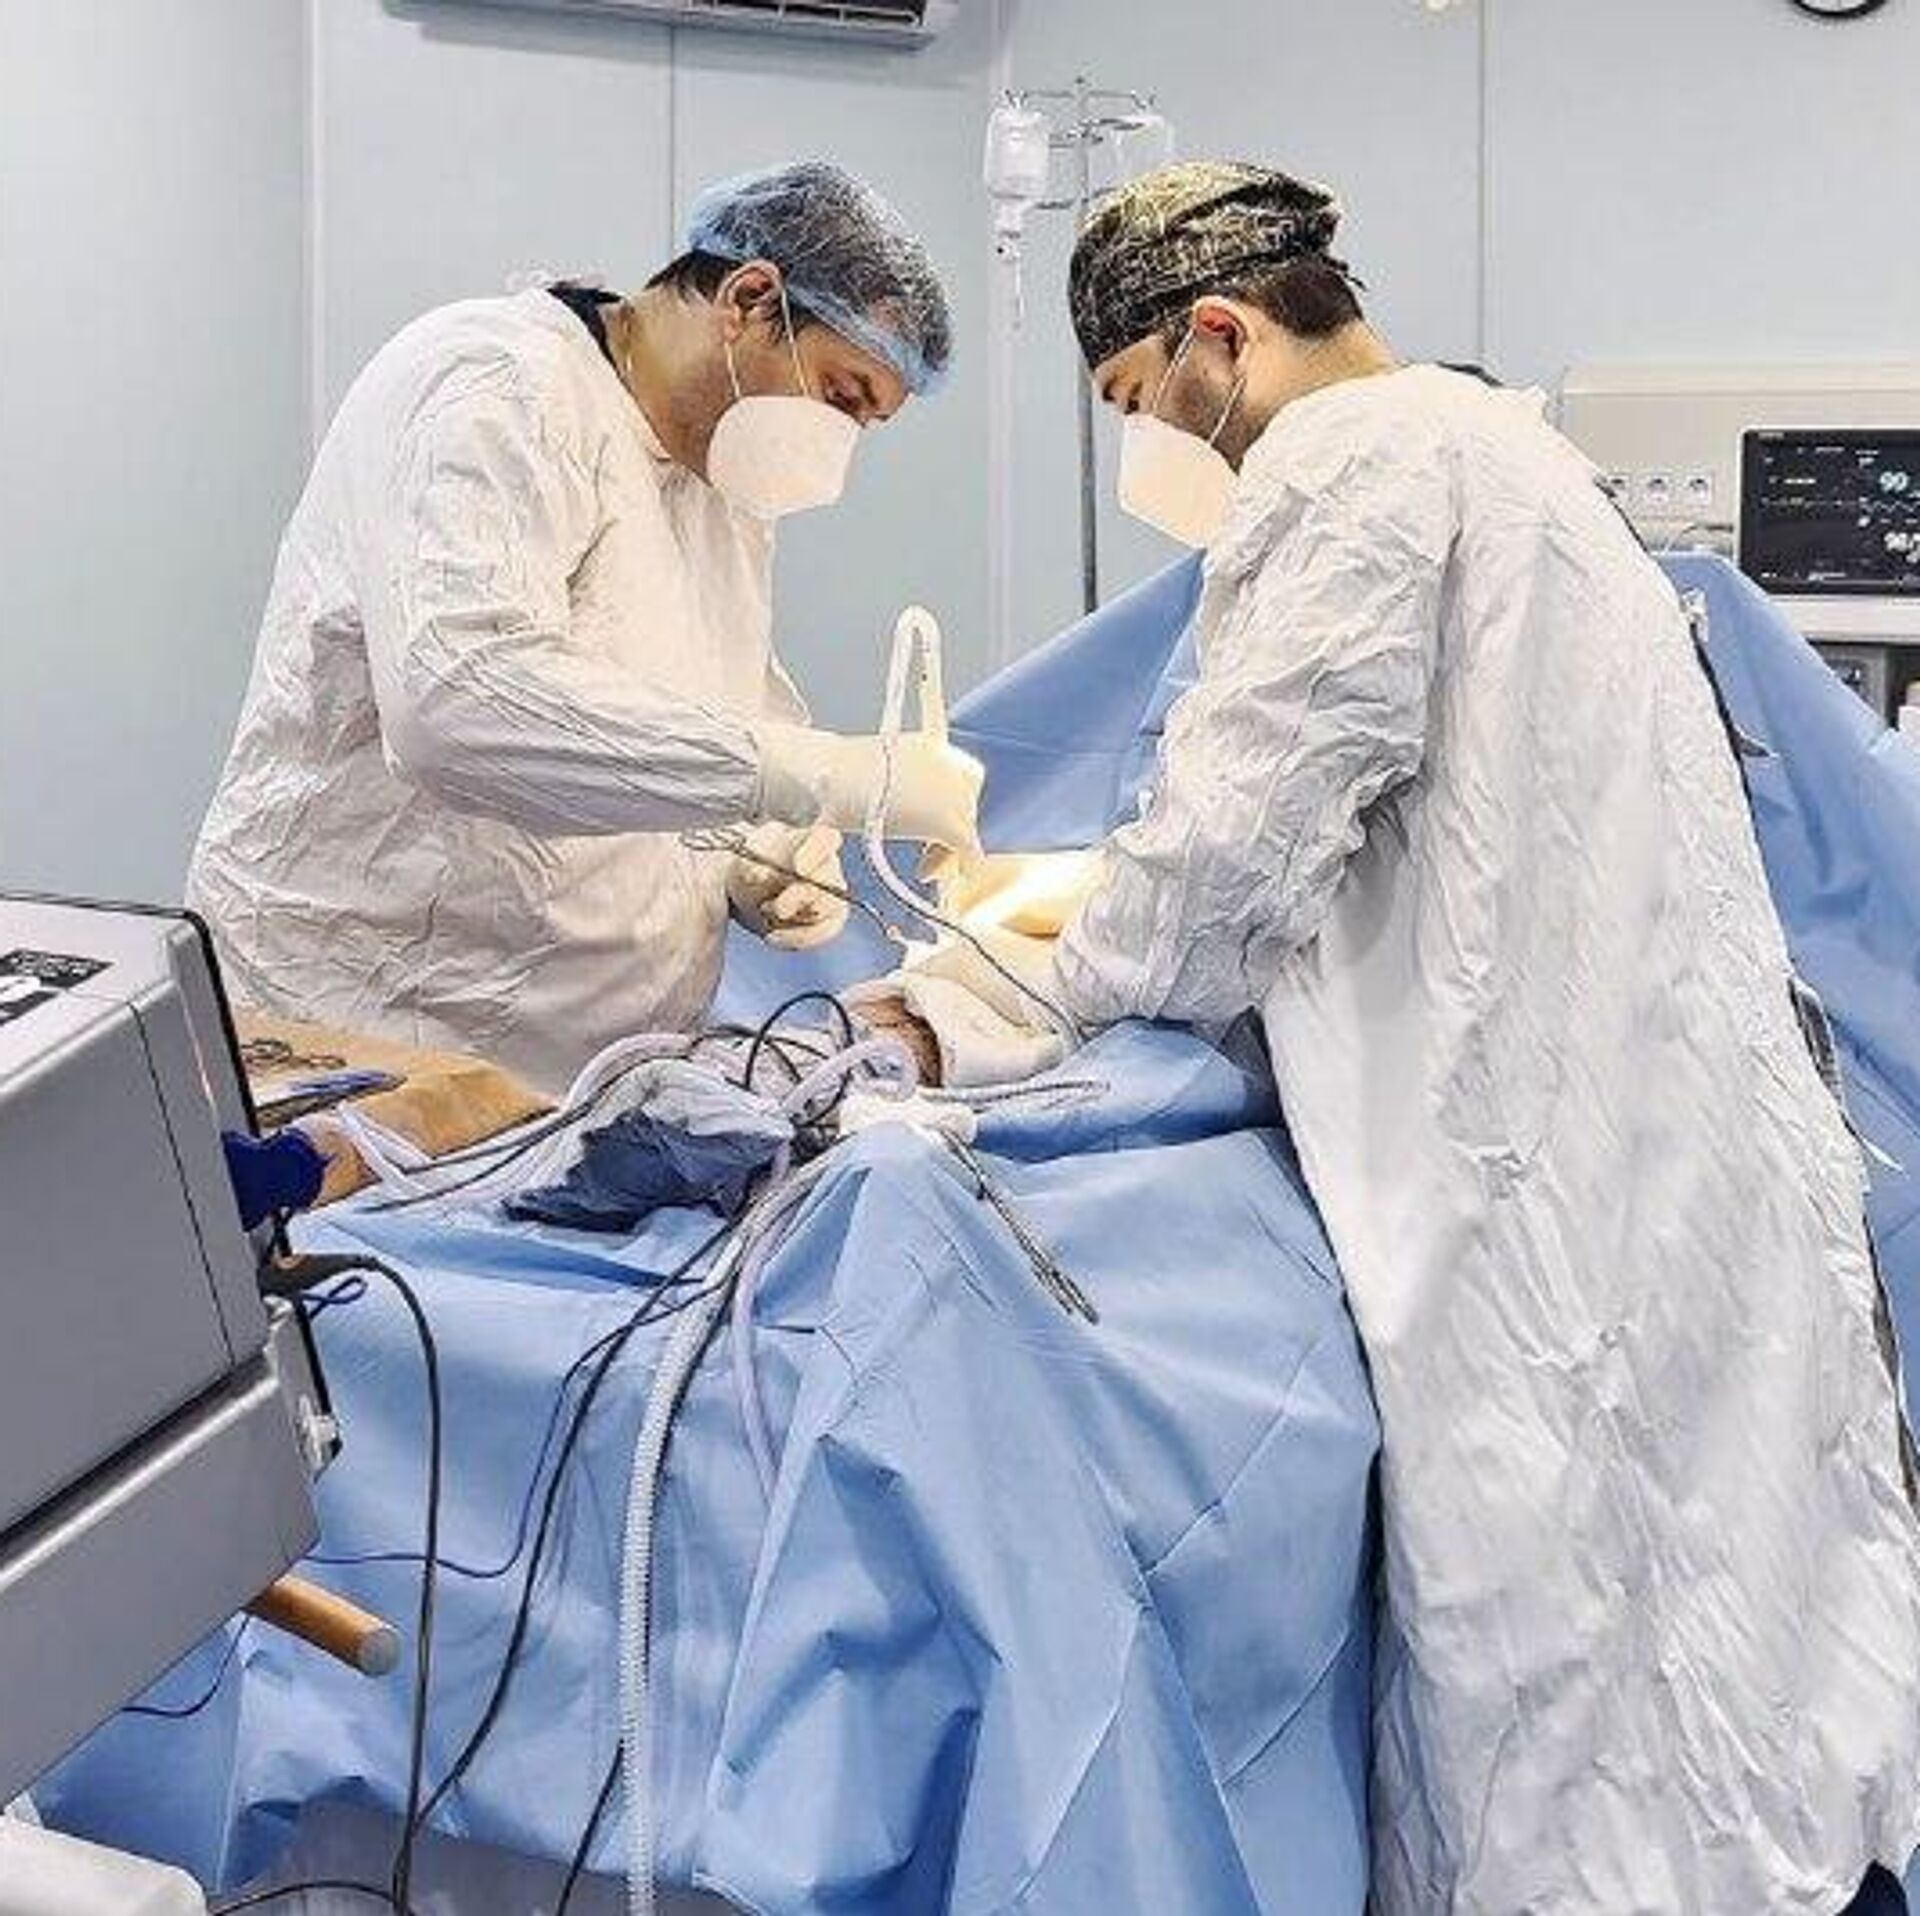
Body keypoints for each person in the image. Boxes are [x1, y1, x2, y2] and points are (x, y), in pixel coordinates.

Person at [918, 162, 1920, 1914]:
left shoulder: (1346, 467)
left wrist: (993, 990)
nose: (1150, 445)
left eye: (1139, 401)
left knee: (1580, 1674)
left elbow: (1226, 864)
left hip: (1548, 1203)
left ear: (1220, 336)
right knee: (1750, 1619)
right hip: (1692, 1151)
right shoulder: (1514, 453)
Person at [188, 160, 981, 1093]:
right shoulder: (496, 388)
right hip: (369, 1032)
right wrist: (820, 776)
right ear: (750, 299)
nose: (839, 447)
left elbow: (686, 708)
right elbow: (456, 704)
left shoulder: (719, 484)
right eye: (842, 397)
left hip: (580, 1076)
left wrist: (763, 843)